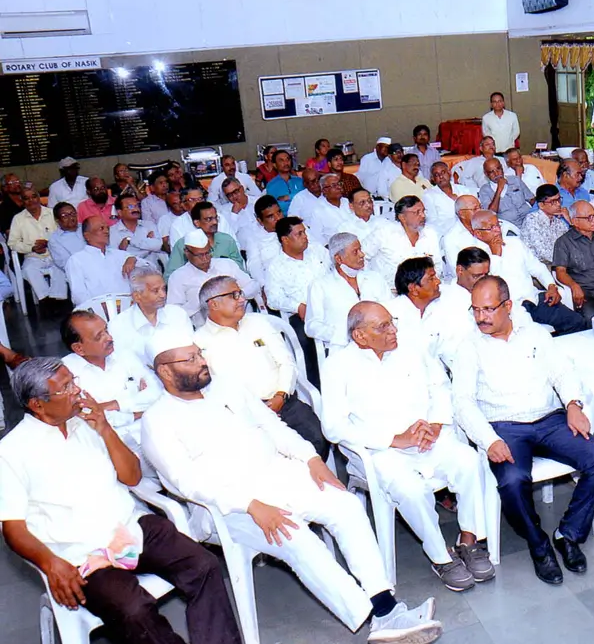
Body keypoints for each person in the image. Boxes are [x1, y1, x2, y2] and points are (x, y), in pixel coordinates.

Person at [141, 333, 444, 644]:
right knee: (295, 535)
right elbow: (186, 481)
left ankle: (385, 607)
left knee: (346, 505)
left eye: (199, 353)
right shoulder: (157, 420)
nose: (202, 362)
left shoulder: (227, 386)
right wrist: (251, 504)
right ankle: (375, 618)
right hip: (230, 506)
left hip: (281, 476)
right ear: (165, 370)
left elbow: (274, 426)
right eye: (190, 359)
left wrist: (311, 458)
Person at [0, 357, 243, 644]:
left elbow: (131, 476)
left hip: (131, 528)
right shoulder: (12, 451)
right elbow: (12, 528)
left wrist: (105, 429)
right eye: (66, 388)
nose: (77, 391)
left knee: (203, 565)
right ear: (37, 405)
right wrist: (51, 563)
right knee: (133, 609)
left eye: (74, 382)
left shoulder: (87, 423)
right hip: (81, 554)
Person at [452, 276, 594, 585]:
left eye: (488, 309)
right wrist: (489, 440)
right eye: (475, 310)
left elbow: (563, 372)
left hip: (549, 420)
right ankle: (539, 546)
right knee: (513, 480)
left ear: (508, 306)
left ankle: (568, 534)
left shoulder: (535, 335)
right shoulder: (468, 347)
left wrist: (573, 404)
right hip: (505, 428)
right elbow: (462, 403)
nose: (480, 317)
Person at [323, 301, 494, 592]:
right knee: (412, 490)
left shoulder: (411, 349)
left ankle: (469, 540)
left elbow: (440, 387)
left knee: (468, 460)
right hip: (380, 451)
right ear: (359, 336)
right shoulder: (337, 366)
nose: (393, 331)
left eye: (393, 322)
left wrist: (436, 425)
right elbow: (333, 426)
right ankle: (441, 557)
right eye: (383, 326)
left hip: (427, 438)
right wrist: (394, 439)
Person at [196, 275, 328, 459]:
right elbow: (209, 391)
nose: (242, 299)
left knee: (317, 440)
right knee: (262, 458)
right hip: (244, 418)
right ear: (213, 304)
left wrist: (281, 395)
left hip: (283, 402)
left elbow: (286, 362)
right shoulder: (199, 342)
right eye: (233, 295)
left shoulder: (258, 323)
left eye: (240, 293)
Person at [61, 310, 163, 467]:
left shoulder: (125, 354)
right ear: (79, 348)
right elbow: (88, 420)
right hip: (109, 448)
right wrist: (137, 412)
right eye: (99, 336)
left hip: (153, 432)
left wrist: (113, 405)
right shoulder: (66, 373)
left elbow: (157, 392)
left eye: (106, 330)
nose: (109, 338)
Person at [469, 210, 586, 335]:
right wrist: (496, 254)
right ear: (478, 234)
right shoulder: (474, 255)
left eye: (498, 224)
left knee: (578, 322)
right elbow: (488, 285)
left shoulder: (515, 243)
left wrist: (551, 286)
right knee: (532, 338)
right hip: (509, 310)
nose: (498, 230)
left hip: (533, 299)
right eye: (491, 228)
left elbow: (537, 267)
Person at [265, 217, 330, 385]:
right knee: (307, 343)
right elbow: (273, 298)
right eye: (299, 233)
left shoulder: (318, 252)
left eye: (305, 232)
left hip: (331, 304)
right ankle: (317, 386)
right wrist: (297, 306)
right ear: (285, 240)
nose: (305, 237)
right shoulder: (276, 266)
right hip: (303, 313)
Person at [306, 232, 390, 350]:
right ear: (339, 258)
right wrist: (346, 335)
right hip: (344, 348)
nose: (362, 254)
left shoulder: (375, 278)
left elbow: (391, 309)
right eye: (355, 252)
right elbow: (312, 326)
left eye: (360, 249)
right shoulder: (320, 285)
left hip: (381, 343)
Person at [166, 229, 260, 320]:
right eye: (200, 255)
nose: (205, 259)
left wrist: (236, 295)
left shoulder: (226, 264)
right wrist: (201, 301)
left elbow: (254, 286)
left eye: (208, 253)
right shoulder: (177, 277)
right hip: (203, 329)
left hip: (239, 320)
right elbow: (173, 315)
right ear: (186, 252)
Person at [108, 264, 192, 365]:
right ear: (137, 296)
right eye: (155, 291)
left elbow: (189, 353)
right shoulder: (119, 325)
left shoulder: (178, 314)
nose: (163, 295)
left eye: (164, 289)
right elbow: (122, 364)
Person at [363, 196, 443, 289]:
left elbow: (437, 264)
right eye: (417, 212)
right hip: (390, 290)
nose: (423, 216)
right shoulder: (383, 233)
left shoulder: (430, 233)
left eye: (423, 211)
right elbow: (361, 256)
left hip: (422, 292)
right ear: (402, 217)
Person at [66, 216, 147, 307]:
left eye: (107, 228)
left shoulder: (120, 255)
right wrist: (101, 308)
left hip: (128, 309)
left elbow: (152, 270)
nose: (106, 231)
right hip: (97, 313)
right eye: (101, 228)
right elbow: (79, 296)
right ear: (87, 236)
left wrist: (133, 259)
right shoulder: (76, 260)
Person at [8, 186, 69, 303]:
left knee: (60, 267)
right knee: (28, 269)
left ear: (39, 198)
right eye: (26, 198)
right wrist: (32, 248)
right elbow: (12, 243)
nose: (31, 201)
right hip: (32, 256)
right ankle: (46, 300)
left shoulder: (52, 213)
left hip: (53, 254)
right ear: (22, 201)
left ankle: (59, 300)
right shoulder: (18, 219)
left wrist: (48, 243)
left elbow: (63, 234)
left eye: (34, 197)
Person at [166, 200, 244, 277]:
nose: (215, 222)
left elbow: (240, 269)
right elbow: (171, 275)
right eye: (208, 219)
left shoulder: (227, 240)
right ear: (197, 223)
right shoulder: (183, 244)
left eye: (216, 218)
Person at [166, 187, 239, 252]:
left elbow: (234, 244)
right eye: (192, 200)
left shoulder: (218, 218)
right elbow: (179, 256)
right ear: (183, 205)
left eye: (200, 199)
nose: (198, 202)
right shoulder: (177, 226)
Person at [442, 196, 492, 280]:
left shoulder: (488, 227)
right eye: (475, 209)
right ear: (462, 214)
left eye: (480, 207)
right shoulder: (451, 237)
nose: (480, 212)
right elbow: (457, 272)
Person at [521, 184, 570, 266]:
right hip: (539, 266)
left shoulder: (558, 221)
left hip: (559, 263)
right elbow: (543, 254)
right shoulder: (532, 220)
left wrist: (569, 220)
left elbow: (571, 243)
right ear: (541, 205)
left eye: (559, 200)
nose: (558, 204)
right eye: (553, 202)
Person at [109, 192, 164, 264]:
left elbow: (158, 246)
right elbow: (116, 256)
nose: (136, 209)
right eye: (130, 207)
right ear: (120, 212)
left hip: (152, 267)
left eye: (137, 205)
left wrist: (130, 241)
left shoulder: (149, 225)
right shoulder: (113, 231)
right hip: (129, 271)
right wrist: (148, 246)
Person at [478, 157, 534, 228]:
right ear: (486, 174)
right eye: (492, 172)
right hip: (510, 228)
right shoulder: (484, 190)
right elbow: (491, 214)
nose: (496, 173)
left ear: (502, 168)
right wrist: (499, 189)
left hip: (530, 220)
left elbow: (532, 199)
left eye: (498, 169)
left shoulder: (515, 180)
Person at [423, 162, 475, 237]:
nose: (441, 176)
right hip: (446, 235)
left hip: (470, 231)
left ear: (449, 173)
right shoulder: (428, 196)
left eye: (443, 172)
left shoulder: (463, 190)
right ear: (433, 179)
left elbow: (475, 211)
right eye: (436, 175)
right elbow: (432, 223)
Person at [245, 195, 285, 282]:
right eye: (271, 216)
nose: (278, 218)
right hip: (273, 282)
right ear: (260, 221)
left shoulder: (295, 226)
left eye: (279, 212)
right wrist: (263, 286)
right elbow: (254, 267)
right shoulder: (253, 240)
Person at [309, 172, 353, 246]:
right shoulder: (318, 211)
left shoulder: (348, 202)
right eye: (334, 185)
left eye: (339, 184)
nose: (339, 187)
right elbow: (317, 237)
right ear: (324, 190)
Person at [218, 175, 259, 248]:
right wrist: (234, 214)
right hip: (244, 251)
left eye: (235, 192)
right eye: (229, 195)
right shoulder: (224, 212)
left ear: (242, 189)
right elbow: (228, 237)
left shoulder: (258, 202)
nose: (234, 197)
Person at [48, 202, 85, 271]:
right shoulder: (54, 239)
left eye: (73, 213)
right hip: (77, 272)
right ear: (57, 220)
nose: (71, 217)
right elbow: (65, 263)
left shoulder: (86, 227)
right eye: (65, 215)